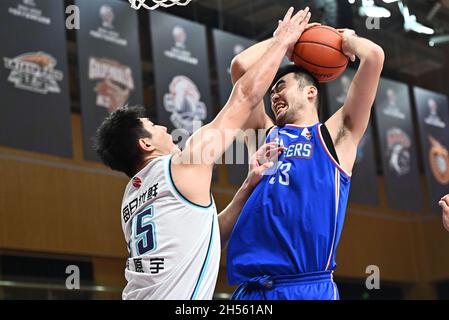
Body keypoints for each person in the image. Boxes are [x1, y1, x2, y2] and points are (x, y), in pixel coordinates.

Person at [93, 7, 310, 300]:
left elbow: (206, 236)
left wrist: (248, 187)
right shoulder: (181, 165)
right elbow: (244, 97)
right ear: (145, 144)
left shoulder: (130, 200)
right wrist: (282, 42)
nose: (164, 129)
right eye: (153, 126)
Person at [226, 20, 385, 300]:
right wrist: (283, 41)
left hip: (307, 286)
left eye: (281, 87)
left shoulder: (335, 136)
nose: (274, 95)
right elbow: (240, 67)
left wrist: (348, 40)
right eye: (272, 91)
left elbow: (373, 57)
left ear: (310, 92)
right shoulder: (265, 135)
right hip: (253, 290)